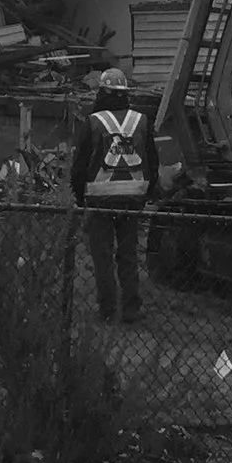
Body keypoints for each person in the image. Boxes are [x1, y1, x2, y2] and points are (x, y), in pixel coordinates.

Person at [71, 67, 159, 323]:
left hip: (100, 200)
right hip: (133, 199)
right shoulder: (141, 121)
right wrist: (148, 192)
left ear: (103, 92)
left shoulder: (94, 122)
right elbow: (153, 161)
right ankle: (131, 309)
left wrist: (79, 196)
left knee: (103, 256)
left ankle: (108, 310)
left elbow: (80, 165)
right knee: (128, 255)